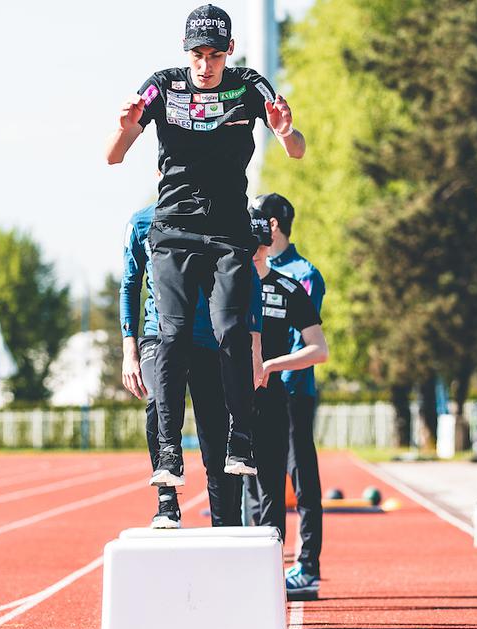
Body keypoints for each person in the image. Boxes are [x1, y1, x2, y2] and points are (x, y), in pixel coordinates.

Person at [105, 4, 305, 490]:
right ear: (186, 52)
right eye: (197, 54)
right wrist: (126, 126)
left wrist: (284, 131)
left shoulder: (248, 85)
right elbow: (113, 156)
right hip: (172, 232)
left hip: (229, 234)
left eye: (215, 55)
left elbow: (296, 148)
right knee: (171, 335)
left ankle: (241, 437)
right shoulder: (163, 85)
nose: (205, 64)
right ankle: (169, 448)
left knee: (230, 329)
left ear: (229, 52)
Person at [120, 202, 263, 528]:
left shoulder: (217, 215)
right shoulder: (141, 221)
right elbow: (129, 282)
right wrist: (129, 347)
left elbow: (249, 278)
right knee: (158, 401)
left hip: (209, 339)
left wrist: (254, 346)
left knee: (214, 436)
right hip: (160, 335)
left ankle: (225, 520)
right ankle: (166, 501)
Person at [246, 207, 328, 597]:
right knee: (241, 488)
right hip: (236, 405)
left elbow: (317, 347)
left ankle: (290, 569)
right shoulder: (220, 285)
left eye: (259, 246)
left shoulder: (296, 281)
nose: (255, 253)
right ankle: (241, 570)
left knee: (288, 485)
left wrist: (272, 365)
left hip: (285, 397)